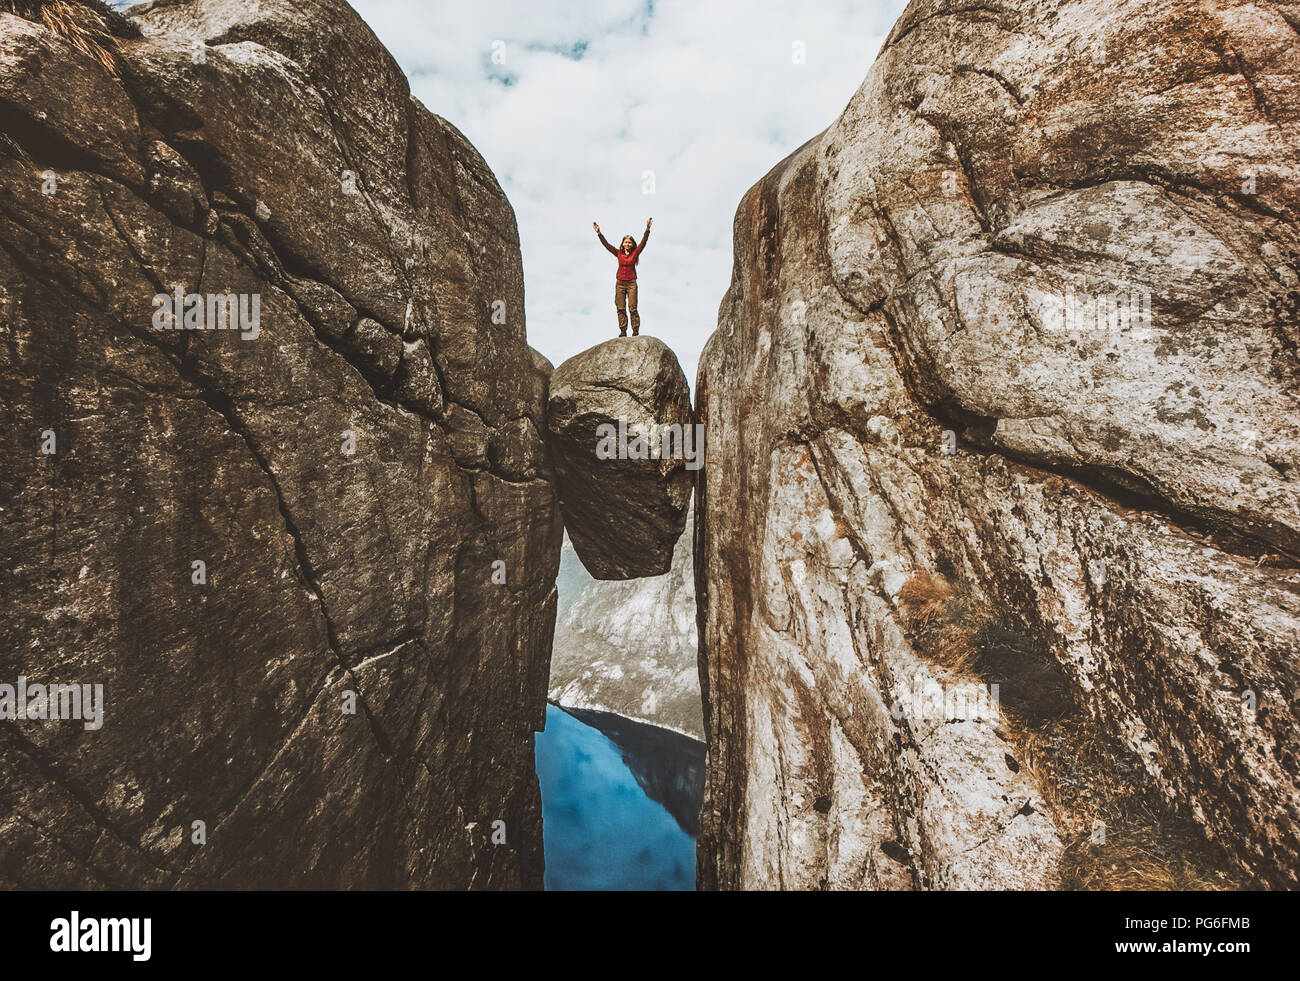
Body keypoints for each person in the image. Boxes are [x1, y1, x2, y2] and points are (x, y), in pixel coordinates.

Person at [593, 218, 652, 336]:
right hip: (620, 283)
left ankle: (635, 332)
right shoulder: (618, 253)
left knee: (632, 308)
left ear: (632, 244)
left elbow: (643, 242)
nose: (628, 244)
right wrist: (599, 233)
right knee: (620, 308)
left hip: (631, 284)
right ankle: (623, 331)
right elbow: (607, 245)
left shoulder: (635, 253)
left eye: (629, 242)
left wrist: (647, 229)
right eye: (626, 242)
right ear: (623, 243)